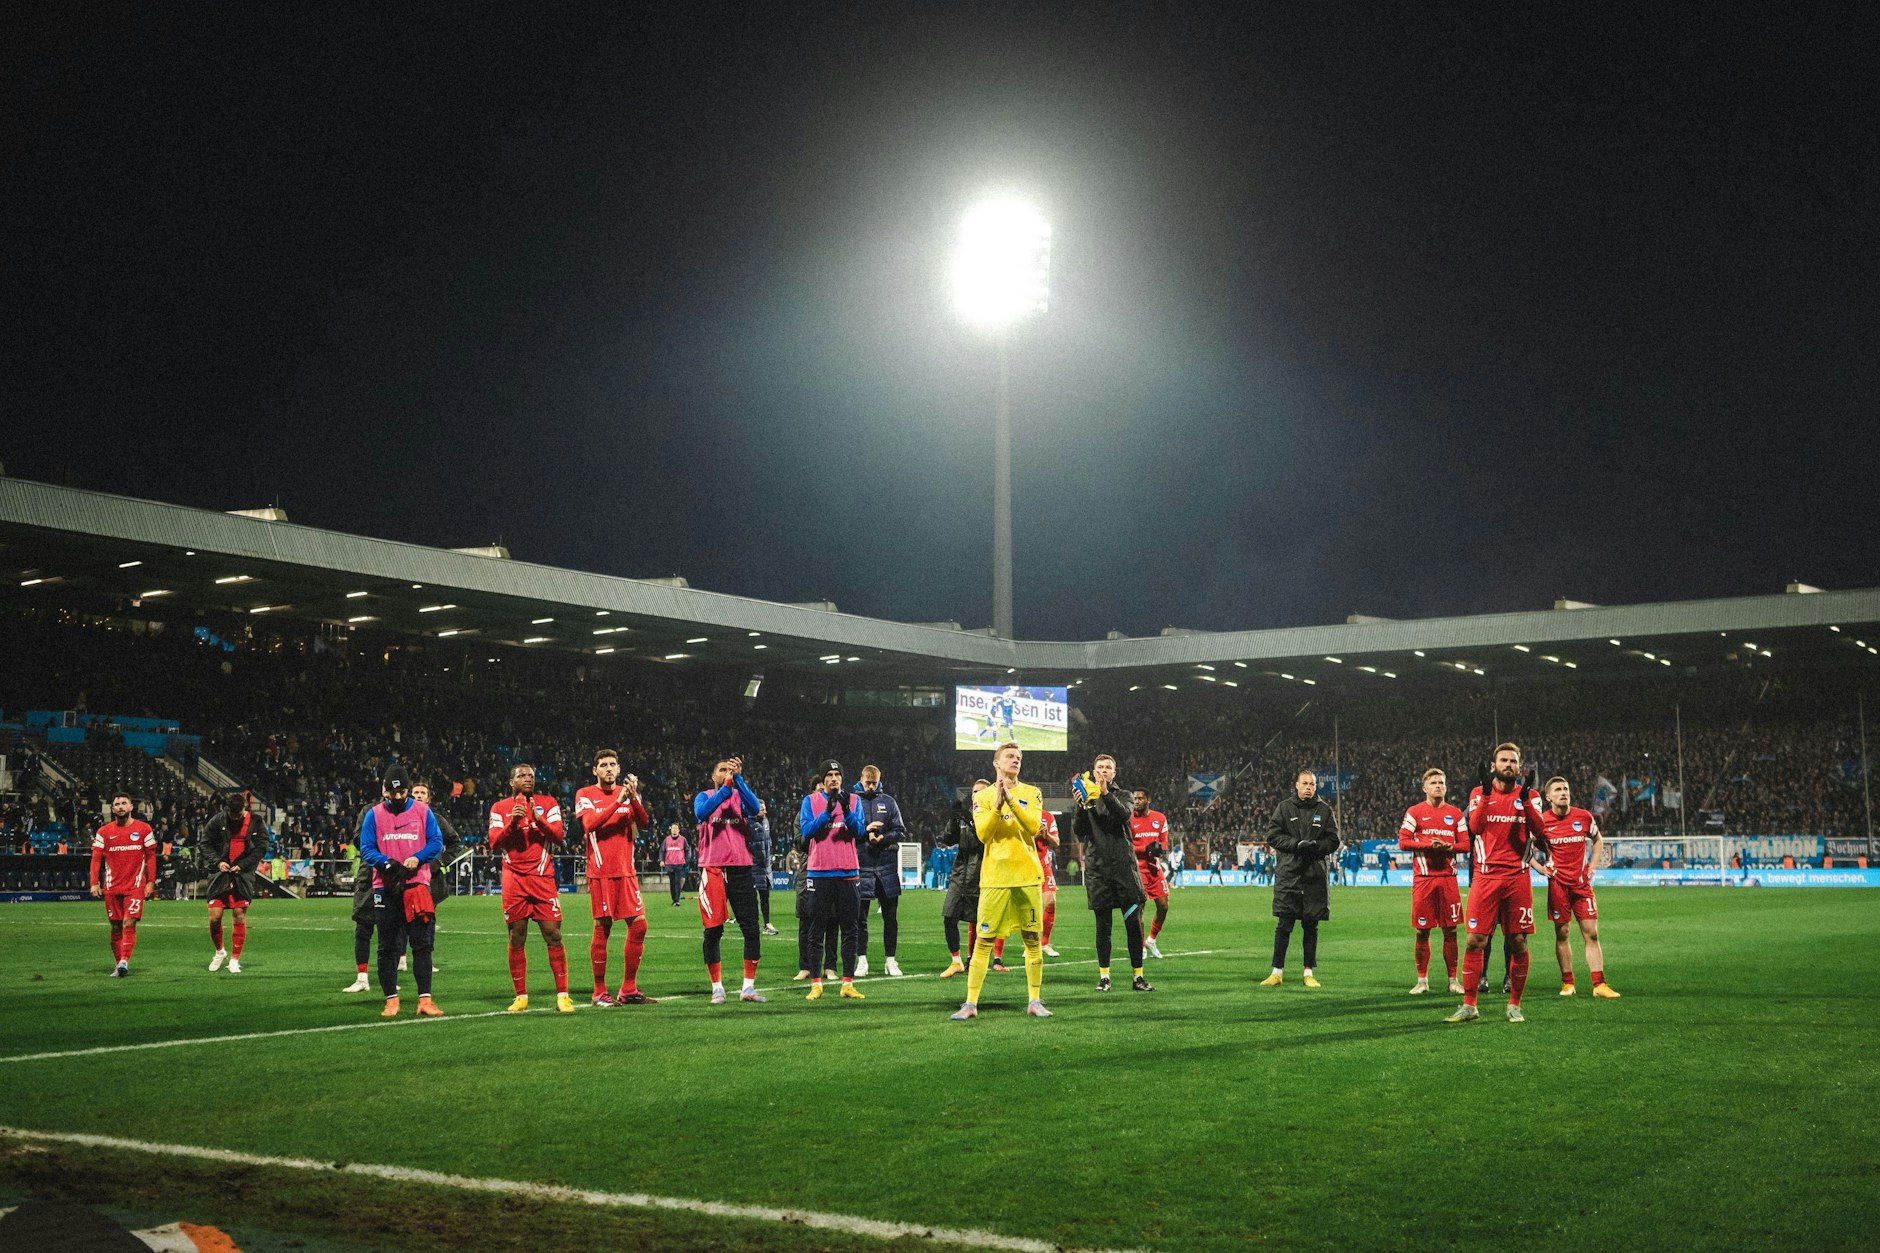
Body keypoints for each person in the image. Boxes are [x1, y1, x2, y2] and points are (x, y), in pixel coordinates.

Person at [1446, 743, 1550, 1024]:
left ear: (1520, 767)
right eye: (1503, 760)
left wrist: (1527, 798)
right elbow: (1476, 827)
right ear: (1493, 766)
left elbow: (1539, 832)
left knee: (1517, 941)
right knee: (1474, 940)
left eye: (1513, 761)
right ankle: (1469, 1005)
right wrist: (1487, 792)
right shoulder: (1479, 793)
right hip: (1486, 877)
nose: (1508, 765)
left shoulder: (1532, 796)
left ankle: (1514, 1004)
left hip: (1517, 877)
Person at [951, 742, 1051, 1020]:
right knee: (983, 940)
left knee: (1032, 938)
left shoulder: (1032, 793)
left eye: (1018, 757)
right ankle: (970, 1003)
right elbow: (983, 834)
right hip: (995, 878)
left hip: (1027, 876)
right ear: (996, 763)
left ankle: (1034, 1000)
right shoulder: (982, 797)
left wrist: (1010, 802)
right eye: (1009, 756)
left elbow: (1033, 827)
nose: (1015, 760)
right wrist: (997, 805)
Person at [487, 763, 574, 1014]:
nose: (527, 779)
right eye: (521, 775)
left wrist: (539, 819)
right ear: (511, 782)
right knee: (517, 936)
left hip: (542, 879)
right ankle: (521, 996)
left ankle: (563, 995)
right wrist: (513, 823)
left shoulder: (547, 803)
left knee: (553, 934)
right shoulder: (500, 808)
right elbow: (494, 842)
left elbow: (558, 836)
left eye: (531, 776)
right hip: (514, 880)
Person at [358, 773, 445, 1017]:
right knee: (387, 946)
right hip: (385, 887)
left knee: (422, 944)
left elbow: (436, 841)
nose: (397, 797)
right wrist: (387, 863)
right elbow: (366, 848)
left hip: (417, 885)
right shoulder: (373, 815)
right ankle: (391, 1000)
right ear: (384, 790)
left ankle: (425, 1000)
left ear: (407, 790)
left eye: (402, 792)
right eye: (392, 793)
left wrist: (419, 858)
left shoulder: (422, 811)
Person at [576, 749, 656, 1006]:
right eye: (603, 765)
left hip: (626, 871)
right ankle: (599, 992)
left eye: (612, 764)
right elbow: (589, 824)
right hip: (601, 873)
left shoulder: (629, 793)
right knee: (603, 927)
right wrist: (618, 800)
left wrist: (632, 799)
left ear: (619, 769)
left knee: (639, 925)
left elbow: (643, 822)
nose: (608, 768)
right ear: (595, 770)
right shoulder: (585, 794)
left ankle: (628, 988)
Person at [1070, 754, 1152, 992]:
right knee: (1103, 926)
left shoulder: (1125, 795)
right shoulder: (1086, 798)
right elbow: (1080, 831)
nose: (1104, 771)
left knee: (1132, 925)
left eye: (1108, 768)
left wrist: (1105, 793)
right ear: (1094, 772)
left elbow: (1123, 816)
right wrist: (1081, 806)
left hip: (1123, 869)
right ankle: (1104, 977)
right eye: (1100, 767)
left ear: (1114, 773)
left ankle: (1138, 976)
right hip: (1098, 870)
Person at [692, 756, 768, 1004]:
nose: (728, 773)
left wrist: (740, 780)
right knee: (713, 930)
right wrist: (726, 788)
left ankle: (748, 988)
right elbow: (702, 814)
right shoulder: (703, 797)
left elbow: (756, 809)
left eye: (730, 770)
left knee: (751, 928)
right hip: (713, 868)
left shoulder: (739, 797)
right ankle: (717, 988)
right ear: (713, 776)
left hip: (741, 868)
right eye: (722, 770)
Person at [1537, 777, 1620, 999]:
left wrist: (1592, 867)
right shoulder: (1542, 822)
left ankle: (1599, 984)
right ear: (1548, 797)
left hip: (1582, 885)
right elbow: (1524, 846)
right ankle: (1567, 983)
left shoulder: (1583, 816)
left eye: (1566, 789)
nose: (1563, 792)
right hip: (1558, 886)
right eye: (1557, 790)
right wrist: (1538, 867)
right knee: (1562, 933)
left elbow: (1598, 840)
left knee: (1591, 933)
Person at [1259, 770, 1340, 988]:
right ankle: (1277, 972)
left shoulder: (1324, 810)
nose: (1308, 788)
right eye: (1304, 783)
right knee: (1284, 924)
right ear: (1296, 785)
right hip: (1289, 875)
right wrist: (1296, 845)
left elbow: (1334, 840)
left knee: (1311, 926)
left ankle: (1308, 973)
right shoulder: (1284, 808)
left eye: (1312, 784)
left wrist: (1315, 847)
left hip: (1314, 875)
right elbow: (1272, 836)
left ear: (1316, 787)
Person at [799, 760, 866, 1001]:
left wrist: (846, 811)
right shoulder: (810, 802)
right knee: (816, 930)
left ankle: (847, 983)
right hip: (819, 873)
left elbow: (860, 832)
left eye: (837, 774)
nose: (834, 778)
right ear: (823, 779)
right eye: (829, 775)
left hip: (848, 873)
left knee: (850, 929)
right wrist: (827, 812)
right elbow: (807, 832)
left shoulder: (855, 801)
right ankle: (816, 984)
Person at [1398, 767, 1466, 995]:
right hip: (1424, 880)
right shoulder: (1415, 812)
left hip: (1448, 879)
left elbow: (1465, 845)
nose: (1438, 786)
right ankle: (1422, 981)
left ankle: (1453, 980)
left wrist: (1450, 847)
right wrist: (1428, 844)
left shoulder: (1456, 814)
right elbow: (1403, 842)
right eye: (1434, 782)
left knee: (1451, 931)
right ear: (1424, 787)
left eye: (1442, 782)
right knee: (1422, 931)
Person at [89, 792, 156, 977]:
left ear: (131, 807)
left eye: (124, 803)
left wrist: (151, 881)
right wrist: (94, 883)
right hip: (111, 887)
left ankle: (124, 960)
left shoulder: (144, 829)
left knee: (129, 922)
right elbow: (96, 859)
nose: (120, 806)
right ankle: (119, 965)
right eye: (117, 804)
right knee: (116, 926)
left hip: (135, 886)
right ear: (112, 809)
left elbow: (151, 856)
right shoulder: (103, 832)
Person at [202, 791, 268, 974]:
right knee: (214, 917)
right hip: (219, 874)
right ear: (227, 810)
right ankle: (220, 952)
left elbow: (262, 846)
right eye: (232, 814)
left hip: (242, 875)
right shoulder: (218, 820)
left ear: (244, 809)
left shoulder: (256, 821)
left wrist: (243, 865)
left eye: (238, 815)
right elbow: (205, 843)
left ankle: (234, 960)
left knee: (239, 914)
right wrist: (217, 862)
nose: (235, 818)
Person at [852, 765, 906, 977]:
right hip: (861, 865)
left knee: (890, 917)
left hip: (886, 867)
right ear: (861, 779)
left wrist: (884, 838)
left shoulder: (889, 802)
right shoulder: (853, 802)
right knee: (860, 918)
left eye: (874, 783)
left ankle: (890, 961)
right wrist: (866, 834)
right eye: (868, 782)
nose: (871, 786)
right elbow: (848, 830)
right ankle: (862, 960)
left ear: (879, 781)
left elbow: (900, 830)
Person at [939, 781, 989, 977]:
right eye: (974, 792)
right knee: (949, 916)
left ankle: (977, 961)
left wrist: (970, 821)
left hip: (981, 875)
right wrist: (953, 818)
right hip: (960, 874)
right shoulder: (964, 816)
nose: (976, 795)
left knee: (980, 924)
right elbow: (948, 839)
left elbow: (986, 840)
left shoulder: (993, 814)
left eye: (981, 792)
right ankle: (956, 961)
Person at [1129, 790, 1172, 957]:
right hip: (1137, 871)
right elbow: (1127, 847)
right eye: (1135, 799)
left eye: (1140, 798)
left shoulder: (1159, 818)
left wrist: (1159, 849)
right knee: (1139, 910)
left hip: (1154, 869)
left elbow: (1164, 843)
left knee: (1163, 906)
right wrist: (1143, 848)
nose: (1137, 801)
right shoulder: (1129, 820)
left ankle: (1152, 939)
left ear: (1149, 799)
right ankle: (1141, 947)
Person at [749, 801, 780, 937]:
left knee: (765, 897)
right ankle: (752, 924)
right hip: (753, 867)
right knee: (751, 899)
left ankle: (767, 923)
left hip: (766, 868)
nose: (765, 811)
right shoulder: (748, 823)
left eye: (765, 808)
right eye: (762, 809)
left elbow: (768, 842)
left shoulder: (766, 821)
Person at [1035, 806, 1062, 956]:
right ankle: (1031, 944)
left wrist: (1046, 834)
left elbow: (1056, 842)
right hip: (1026, 865)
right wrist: (1034, 835)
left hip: (1044, 865)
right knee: (1027, 908)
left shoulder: (1048, 816)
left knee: (1050, 901)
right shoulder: (1020, 814)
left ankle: (1044, 943)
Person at [662, 822, 689, 905]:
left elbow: (687, 850)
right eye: (673, 828)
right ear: (670, 830)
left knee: (678, 882)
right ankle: (674, 899)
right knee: (672, 883)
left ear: (678, 830)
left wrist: (687, 860)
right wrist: (661, 860)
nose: (674, 830)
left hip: (679, 864)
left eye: (675, 828)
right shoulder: (666, 840)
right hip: (669, 864)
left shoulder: (683, 839)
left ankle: (677, 900)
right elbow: (662, 850)